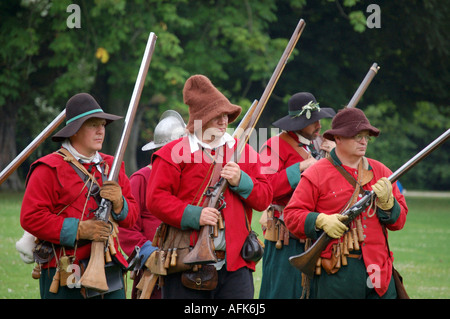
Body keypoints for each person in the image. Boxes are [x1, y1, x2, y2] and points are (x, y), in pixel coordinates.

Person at [146, 74, 272, 299]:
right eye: (217, 117)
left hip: (236, 266)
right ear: (202, 120)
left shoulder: (243, 152)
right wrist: (195, 215)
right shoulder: (171, 154)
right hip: (186, 262)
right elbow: (156, 199)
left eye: (225, 115)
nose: (224, 122)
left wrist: (241, 181)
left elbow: (264, 199)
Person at [20, 93, 138, 299]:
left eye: (102, 124)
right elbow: (31, 217)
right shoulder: (48, 168)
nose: (101, 130)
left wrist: (120, 203)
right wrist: (80, 229)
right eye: (93, 125)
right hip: (65, 269)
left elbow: (132, 218)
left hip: (110, 266)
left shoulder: (112, 165)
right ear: (74, 131)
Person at [284, 107, 408, 299]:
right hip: (337, 271)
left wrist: (389, 204)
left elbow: (399, 222)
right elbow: (292, 216)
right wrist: (320, 220)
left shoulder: (381, 171)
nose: (363, 141)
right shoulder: (316, 173)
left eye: (366, 136)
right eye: (356, 135)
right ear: (338, 138)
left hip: (379, 270)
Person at [258, 92, 336, 299]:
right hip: (285, 235)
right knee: (281, 291)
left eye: (319, 120)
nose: (318, 125)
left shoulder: (320, 143)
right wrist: (300, 167)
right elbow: (266, 189)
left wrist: (335, 156)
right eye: (312, 122)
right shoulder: (274, 146)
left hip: (315, 230)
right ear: (297, 123)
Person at [118, 110, 187, 299]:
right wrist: (148, 253)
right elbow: (126, 228)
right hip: (152, 270)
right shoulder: (140, 179)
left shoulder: (190, 178)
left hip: (186, 267)